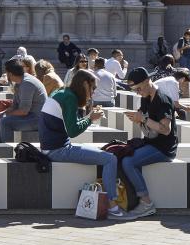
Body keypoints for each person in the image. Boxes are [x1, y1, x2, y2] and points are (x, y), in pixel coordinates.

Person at [39, 69, 127, 217]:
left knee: (104, 153)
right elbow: (73, 131)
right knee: (110, 159)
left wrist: (88, 117)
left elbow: (69, 126)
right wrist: (91, 118)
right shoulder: (70, 98)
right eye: (93, 88)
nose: (93, 93)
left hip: (53, 148)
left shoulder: (62, 93)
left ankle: (110, 201)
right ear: (85, 84)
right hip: (58, 150)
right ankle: (112, 205)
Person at [117, 67, 179, 220]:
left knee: (128, 162)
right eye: (134, 90)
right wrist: (138, 119)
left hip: (164, 148)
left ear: (146, 81)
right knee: (121, 154)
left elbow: (165, 130)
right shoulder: (146, 98)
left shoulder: (163, 99)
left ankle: (146, 203)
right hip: (151, 143)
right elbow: (146, 121)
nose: (137, 92)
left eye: (138, 88)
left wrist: (143, 119)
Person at [0, 57, 46, 143]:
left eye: (6, 72)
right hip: (29, 116)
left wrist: (4, 115)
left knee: (4, 122)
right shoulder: (19, 83)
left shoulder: (27, 83)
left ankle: (7, 151)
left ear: (10, 74)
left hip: (37, 119)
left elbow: (24, 111)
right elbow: (14, 106)